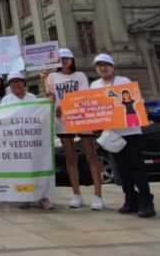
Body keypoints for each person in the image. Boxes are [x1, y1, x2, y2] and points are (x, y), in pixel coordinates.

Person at [90, 53, 155, 218]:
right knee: (122, 168)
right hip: (112, 133)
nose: (103, 68)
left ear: (112, 67)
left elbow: (136, 101)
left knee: (136, 167)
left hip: (130, 131)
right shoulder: (94, 85)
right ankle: (130, 199)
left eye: (106, 65)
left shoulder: (123, 81)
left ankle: (146, 201)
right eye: (99, 66)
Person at [44, 48, 103, 211]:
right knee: (70, 158)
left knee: (91, 156)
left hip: (81, 117)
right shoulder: (52, 77)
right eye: (61, 58)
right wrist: (51, 99)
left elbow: (82, 95)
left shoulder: (80, 76)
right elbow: (50, 96)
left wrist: (63, 105)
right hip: (62, 120)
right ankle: (76, 194)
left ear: (72, 60)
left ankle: (98, 195)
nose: (64, 61)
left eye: (67, 58)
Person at [1, 72, 54, 210]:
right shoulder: (6, 100)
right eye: (13, 82)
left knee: (37, 167)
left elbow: (40, 115)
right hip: (15, 142)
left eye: (18, 81)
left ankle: (42, 197)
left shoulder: (32, 98)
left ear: (24, 83)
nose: (16, 85)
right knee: (20, 169)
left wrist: (48, 103)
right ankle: (24, 197)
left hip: (32, 141)